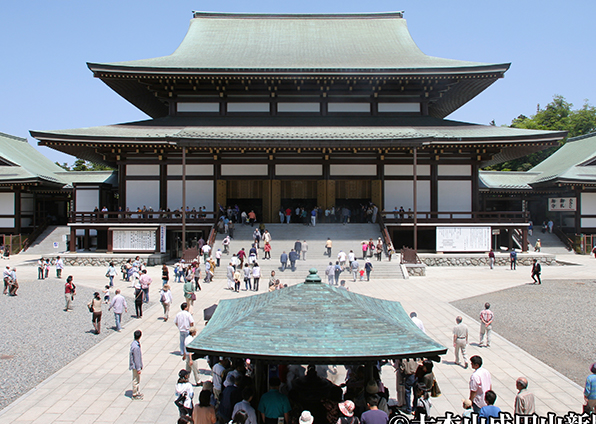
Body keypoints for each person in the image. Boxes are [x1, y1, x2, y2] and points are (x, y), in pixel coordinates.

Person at [129, 330, 143, 400]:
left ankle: (137, 392)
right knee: (135, 380)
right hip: (135, 366)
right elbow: (136, 358)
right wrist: (138, 368)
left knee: (137, 379)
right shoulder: (136, 347)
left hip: (135, 365)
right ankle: (134, 394)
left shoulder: (134, 344)